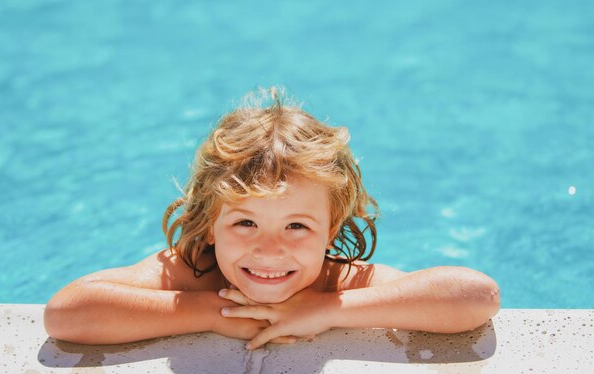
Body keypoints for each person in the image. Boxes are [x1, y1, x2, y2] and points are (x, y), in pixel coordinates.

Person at [44, 87, 500, 350]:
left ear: (331, 229)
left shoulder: (333, 281)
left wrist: (325, 308)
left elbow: (475, 297)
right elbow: (67, 315)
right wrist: (211, 312)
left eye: (297, 226)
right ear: (207, 225)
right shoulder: (192, 271)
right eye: (245, 223)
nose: (270, 249)